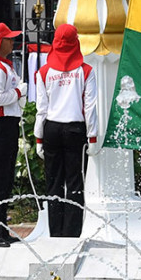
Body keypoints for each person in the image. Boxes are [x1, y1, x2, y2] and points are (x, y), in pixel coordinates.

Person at [33, 24, 99, 238]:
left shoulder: (43, 73)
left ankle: (56, 233)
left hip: (51, 128)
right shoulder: (86, 71)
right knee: (75, 183)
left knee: (53, 183)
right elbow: (90, 107)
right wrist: (93, 136)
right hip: (75, 130)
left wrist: (39, 139)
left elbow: (40, 109)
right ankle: (71, 233)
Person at [0, 22, 27, 247]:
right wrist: (19, 91)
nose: (12, 41)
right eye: (8, 39)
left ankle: (1, 229)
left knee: (5, 180)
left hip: (7, 125)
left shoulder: (5, 66)